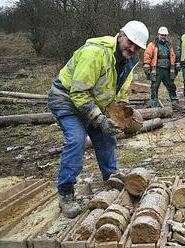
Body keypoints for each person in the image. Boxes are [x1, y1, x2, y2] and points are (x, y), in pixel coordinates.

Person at [47, 20, 149, 218]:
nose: (132, 48)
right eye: (130, 42)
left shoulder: (128, 63)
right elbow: (79, 94)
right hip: (66, 98)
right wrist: (100, 119)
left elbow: (118, 96)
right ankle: (66, 193)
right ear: (120, 35)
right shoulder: (95, 52)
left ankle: (111, 176)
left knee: (106, 136)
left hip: (91, 101)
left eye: (137, 47)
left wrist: (122, 117)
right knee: (76, 140)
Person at [143, 26, 180, 109]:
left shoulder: (169, 46)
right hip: (157, 70)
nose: (163, 37)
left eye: (165, 35)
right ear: (158, 35)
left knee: (171, 85)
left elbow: (172, 56)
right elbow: (147, 55)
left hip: (167, 70)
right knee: (154, 86)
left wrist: (175, 66)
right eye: (162, 35)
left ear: (167, 36)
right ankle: (154, 102)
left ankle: (174, 101)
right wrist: (146, 64)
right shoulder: (152, 45)